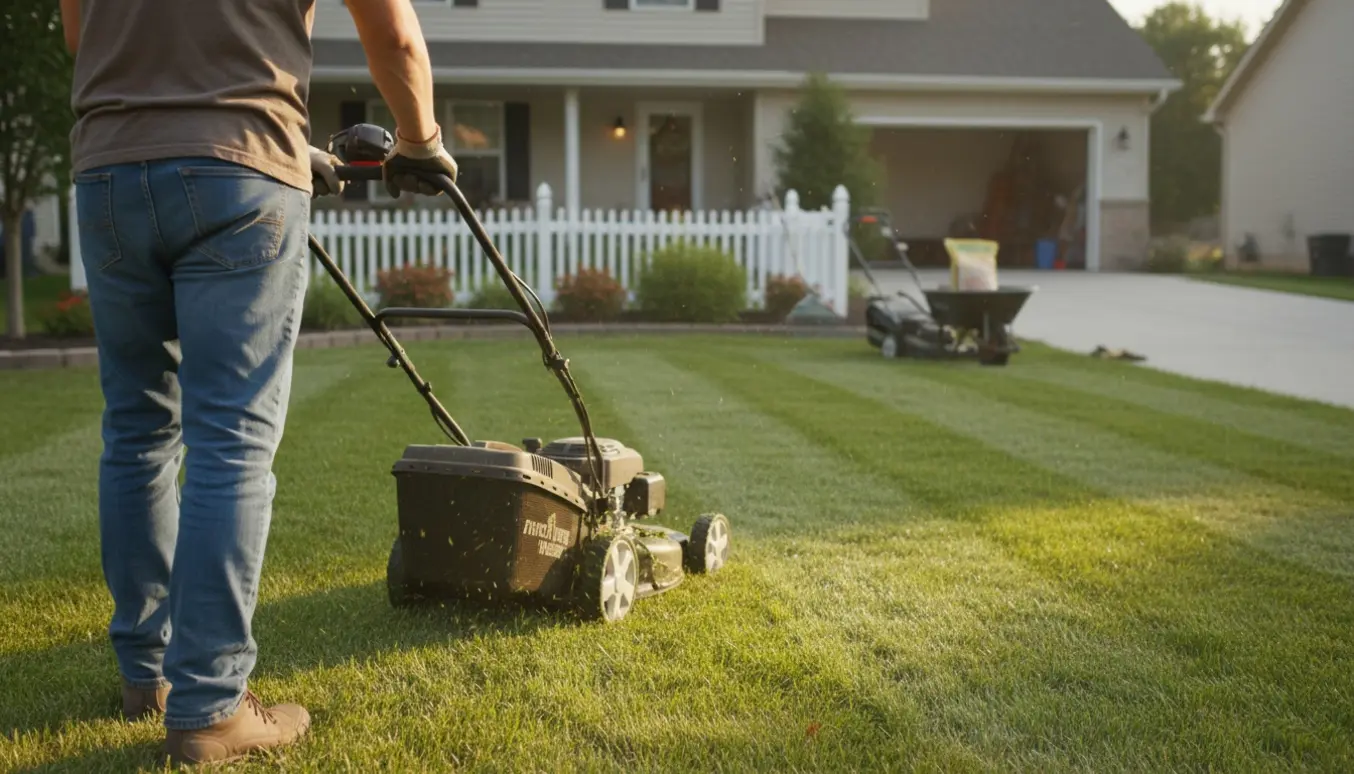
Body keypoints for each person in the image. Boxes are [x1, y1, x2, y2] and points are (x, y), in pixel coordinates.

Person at [58, 0, 458, 765]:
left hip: (107, 169)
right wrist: (420, 141)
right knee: (231, 440)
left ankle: (147, 674)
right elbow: (395, 35)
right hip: (240, 180)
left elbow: (85, 36)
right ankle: (210, 707)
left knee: (137, 429)